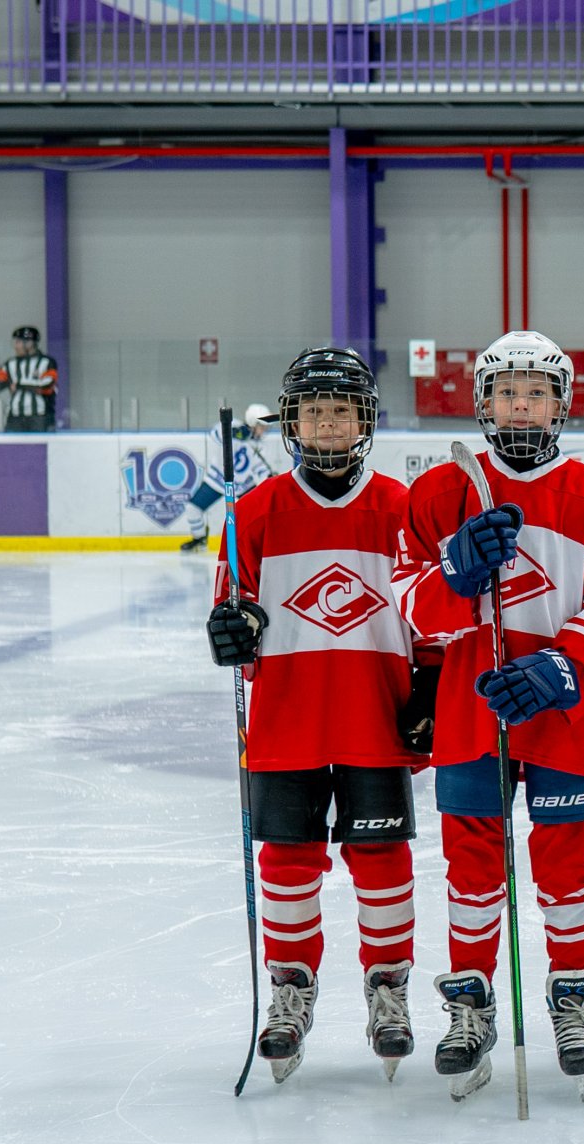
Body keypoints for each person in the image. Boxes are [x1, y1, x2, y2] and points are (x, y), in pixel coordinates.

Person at [391, 330, 584, 1098]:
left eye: (536, 393)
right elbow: (410, 609)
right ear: (484, 403)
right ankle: (471, 1004)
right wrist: (456, 573)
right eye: (506, 393)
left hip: (562, 711)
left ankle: (573, 999)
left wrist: (566, 668)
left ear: (560, 405)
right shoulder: (438, 493)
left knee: (566, 867)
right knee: (471, 867)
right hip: (471, 711)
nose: (521, 406)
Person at [203, 349, 428, 1084]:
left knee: (383, 859)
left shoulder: (402, 507)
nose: (327, 424)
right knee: (287, 861)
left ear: (364, 421)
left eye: (341, 412)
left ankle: (388, 987)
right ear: (291, 423)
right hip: (287, 719)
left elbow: (430, 611)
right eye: (312, 412)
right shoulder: (254, 513)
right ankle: (291, 989)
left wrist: (429, 683)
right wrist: (230, 631)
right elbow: (233, 609)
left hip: (375, 715)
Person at [181, 404, 278, 553]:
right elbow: (215, 434)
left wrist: (270, 479)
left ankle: (262, 541)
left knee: (258, 513)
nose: (264, 430)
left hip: (242, 485)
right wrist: (232, 432)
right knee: (192, 508)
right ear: (252, 423)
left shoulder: (260, 445)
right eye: (262, 426)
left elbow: (260, 468)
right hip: (217, 480)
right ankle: (199, 539)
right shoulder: (233, 426)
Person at [0, 325, 58, 432]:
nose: (15, 346)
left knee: (38, 442)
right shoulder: (10, 364)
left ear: (29, 343)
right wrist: (5, 383)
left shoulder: (47, 362)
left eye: (18, 342)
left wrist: (19, 385)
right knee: (11, 442)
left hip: (39, 417)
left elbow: (47, 385)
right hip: (15, 417)